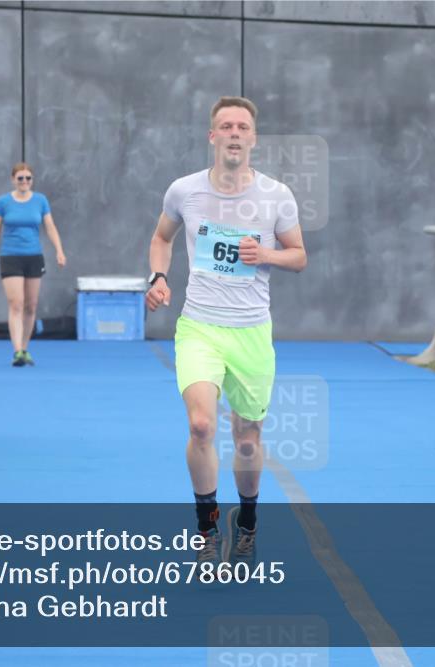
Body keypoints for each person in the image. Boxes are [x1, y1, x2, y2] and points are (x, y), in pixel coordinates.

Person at [145, 97, 307, 572]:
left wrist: (269, 256)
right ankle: (207, 529)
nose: (234, 133)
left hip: (252, 331)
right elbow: (161, 239)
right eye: (225, 126)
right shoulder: (184, 191)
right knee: (200, 425)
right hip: (199, 326)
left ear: (253, 138)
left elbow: (299, 254)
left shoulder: (277, 195)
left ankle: (249, 523)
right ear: (212, 137)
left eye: (242, 127)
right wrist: (158, 278)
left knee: (248, 440)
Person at [0, 162, 65, 366]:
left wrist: (59, 251)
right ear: (13, 180)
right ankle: (17, 350)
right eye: (20, 178)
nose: (24, 182)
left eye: (28, 178)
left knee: (31, 305)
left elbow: (50, 227)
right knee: (16, 303)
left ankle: (25, 348)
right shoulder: (3, 202)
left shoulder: (40, 200)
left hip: (33, 256)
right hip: (11, 256)